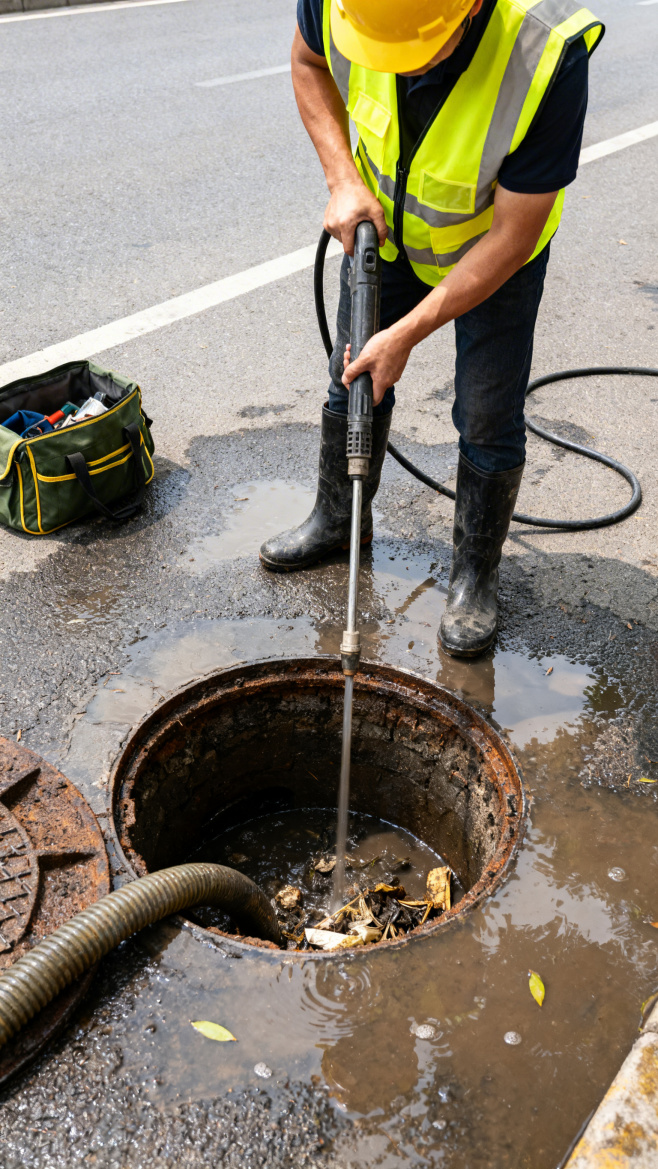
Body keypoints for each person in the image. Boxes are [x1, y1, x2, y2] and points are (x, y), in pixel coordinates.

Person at [260, 0, 603, 657]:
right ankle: (337, 521)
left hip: (492, 257)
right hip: (383, 229)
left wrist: (409, 333)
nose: (404, 67)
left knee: (485, 415)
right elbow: (308, 62)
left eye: (421, 49)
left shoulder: (546, 54)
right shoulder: (344, 2)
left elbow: (513, 235)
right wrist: (342, 180)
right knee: (351, 379)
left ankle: (474, 575)